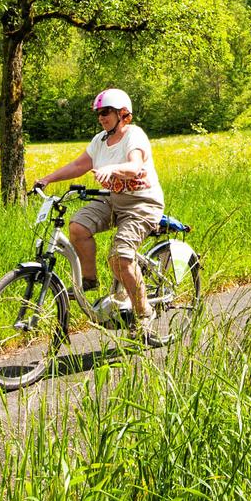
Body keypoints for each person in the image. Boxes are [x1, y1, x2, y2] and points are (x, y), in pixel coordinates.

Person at [29, 87, 165, 331]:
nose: (101, 117)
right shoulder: (100, 140)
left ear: (124, 114)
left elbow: (134, 166)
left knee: (119, 258)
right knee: (78, 227)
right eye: (99, 113)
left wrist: (112, 170)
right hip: (113, 200)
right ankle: (89, 281)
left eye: (107, 112)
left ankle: (144, 312)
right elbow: (79, 164)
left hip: (142, 203)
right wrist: (48, 179)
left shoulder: (134, 136)